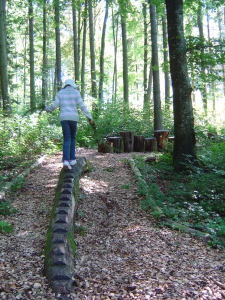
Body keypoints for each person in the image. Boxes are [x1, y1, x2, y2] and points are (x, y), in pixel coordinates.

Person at [45, 78, 93, 170]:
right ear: (72, 85)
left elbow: (54, 106)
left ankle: (66, 161)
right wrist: (89, 117)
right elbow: (82, 106)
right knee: (73, 138)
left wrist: (47, 108)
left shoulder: (61, 92)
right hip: (73, 118)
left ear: (65, 85)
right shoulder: (76, 92)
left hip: (64, 118)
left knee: (67, 139)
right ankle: (72, 159)